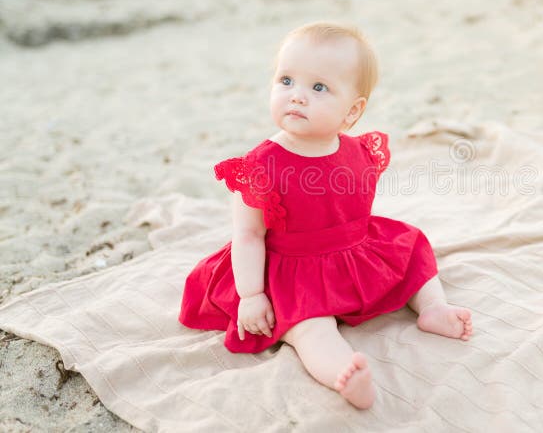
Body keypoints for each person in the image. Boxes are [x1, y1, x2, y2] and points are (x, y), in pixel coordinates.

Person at [179, 21, 473, 410]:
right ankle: (343, 373)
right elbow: (248, 235)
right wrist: (252, 295)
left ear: (352, 112)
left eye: (318, 88)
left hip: (353, 252)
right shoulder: (260, 167)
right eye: (286, 80)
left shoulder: (358, 152)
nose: (297, 96)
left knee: (411, 250)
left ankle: (433, 308)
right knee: (308, 327)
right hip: (290, 271)